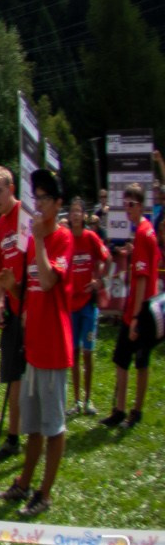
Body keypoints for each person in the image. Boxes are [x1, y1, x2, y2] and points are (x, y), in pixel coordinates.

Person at [0, 169, 73, 515]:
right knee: (32, 425)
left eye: (45, 198)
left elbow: (46, 281)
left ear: (58, 204)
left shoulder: (61, 239)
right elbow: (29, 296)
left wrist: (39, 239)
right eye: (36, 198)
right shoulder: (34, 243)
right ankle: (24, 483)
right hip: (33, 346)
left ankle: (44, 494)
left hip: (55, 346)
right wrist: (10, 287)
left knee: (53, 426)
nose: (39, 204)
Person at [106, 183, 160, 429]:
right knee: (123, 359)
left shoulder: (142, 233)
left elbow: (141, 278)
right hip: (141, 306)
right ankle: (121, 409)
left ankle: (133, 411)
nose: (127, 209)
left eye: (131, 204)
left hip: (140, 309)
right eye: (125, 204)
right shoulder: (144, 232)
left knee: (138, 361)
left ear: (140, 205)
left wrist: (136, 317)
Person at [0, 165, 28, 462]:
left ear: (12, 188)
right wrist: (1, 304)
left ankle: (33, 433)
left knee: (30, 379)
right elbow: (2, 271)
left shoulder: (25, 216)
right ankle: (13, 438)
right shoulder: (1, 225)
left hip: (33, 306)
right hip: (13, 308)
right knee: (12, 375)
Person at [65, 197, 109, 415]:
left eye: (78, 211)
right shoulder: (65, 239)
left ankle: (89, 398)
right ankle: (76, 401)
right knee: (73, 353)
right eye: (72, 211)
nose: (75, 215)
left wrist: (99, 280)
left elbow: (106, 258)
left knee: (87, 352)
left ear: (84, 215)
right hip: (70, 305)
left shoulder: (91, 237)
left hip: (88, 304)